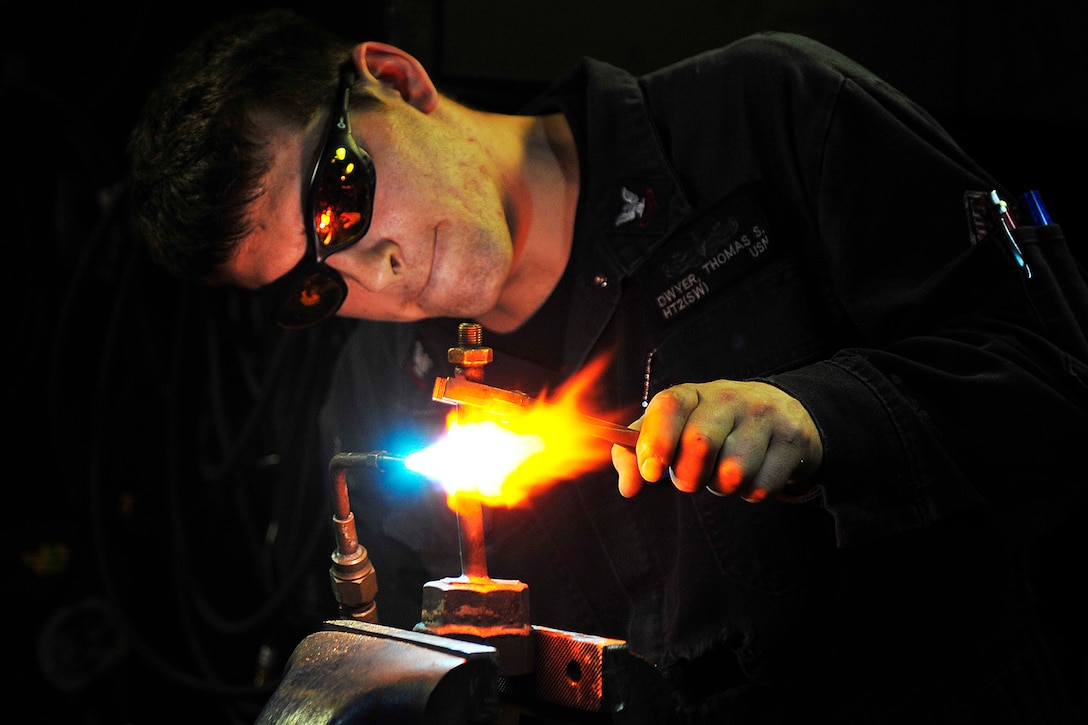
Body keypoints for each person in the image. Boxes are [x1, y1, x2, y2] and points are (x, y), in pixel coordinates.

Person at [127, 8, 1088, 723]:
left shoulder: (766, 113)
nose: (363, 266)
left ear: (397, 80)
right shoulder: (374, 397)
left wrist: (822, 420)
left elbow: (1050, 376)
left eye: (341, 199)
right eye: (310, 284)